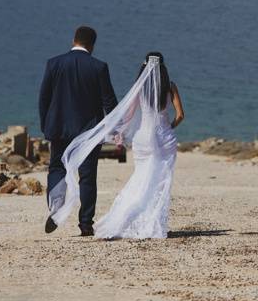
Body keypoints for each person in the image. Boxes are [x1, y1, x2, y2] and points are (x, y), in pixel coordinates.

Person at [47, 52, 185, 240]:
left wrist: (118, 131)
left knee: (140, 177)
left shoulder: (140, 88)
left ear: (144, 67)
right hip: (164, 138)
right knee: (160, 182)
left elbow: (128, 114)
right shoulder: (170, 87)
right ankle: (153, 222)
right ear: (164, 68)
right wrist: (169, 127)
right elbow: (180, 115)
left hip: (143, 138)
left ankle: (125, 218)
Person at [39, 26, 118, 236]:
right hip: (89, 132)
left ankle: (56, 209)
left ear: (73, 39)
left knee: (57, 168)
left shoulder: (54, 63)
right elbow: (109, 102)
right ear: (92, 45)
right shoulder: (99, 67)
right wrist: (116, 129)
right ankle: (85, 224)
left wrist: (45, 126)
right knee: (87, 176)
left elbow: (44, 98)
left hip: (58, 128)